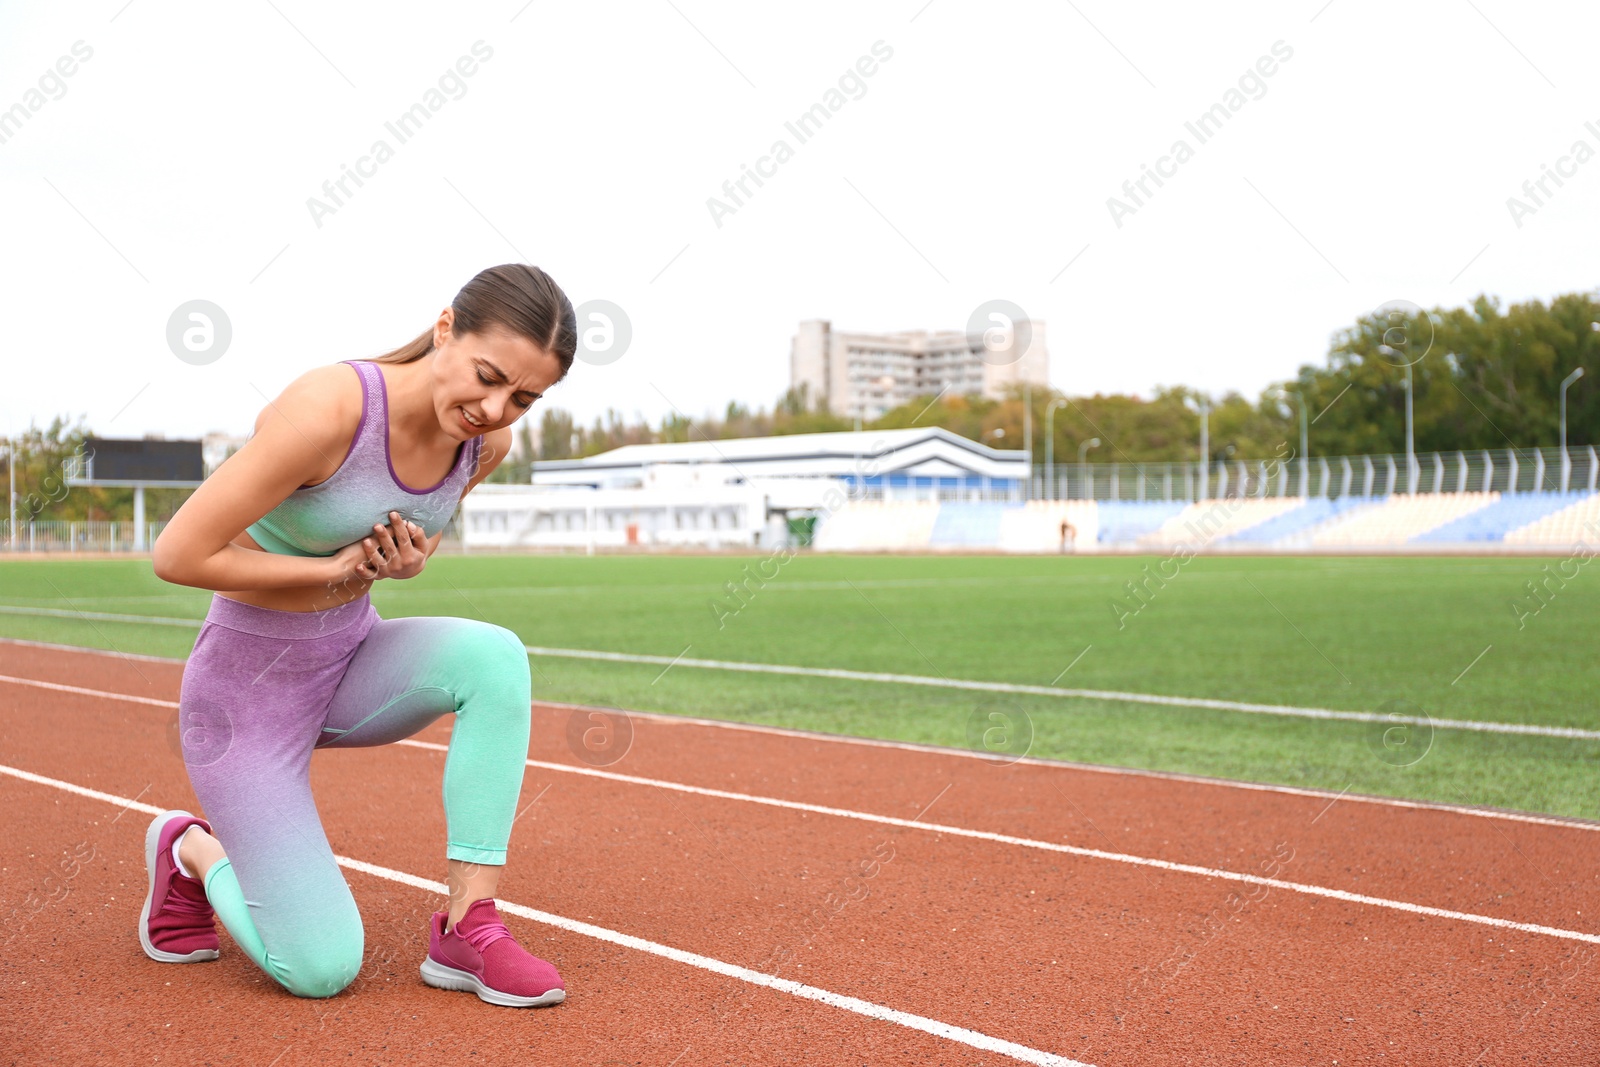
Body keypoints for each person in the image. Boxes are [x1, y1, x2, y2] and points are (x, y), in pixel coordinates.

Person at [141, 263, 576, 1007]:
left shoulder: (486, 443)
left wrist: (404, 561)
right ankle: (189, 847)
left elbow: (422, 533)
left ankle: (468, 925)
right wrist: (331, 570)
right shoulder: (329, 407)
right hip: (245, 700)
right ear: (445, 329)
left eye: (524, 398)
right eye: (488, 375)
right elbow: (178, 553)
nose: (496, 407)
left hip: (350, 663)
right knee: (319, 969)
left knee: (495, 658)